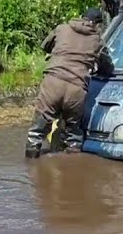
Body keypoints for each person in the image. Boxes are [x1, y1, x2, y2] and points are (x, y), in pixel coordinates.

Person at [25, 8, 113, 158]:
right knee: (73, 133)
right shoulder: (97, 41)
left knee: (37, 131)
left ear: (81, 17)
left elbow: (45, 45)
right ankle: (72, 168)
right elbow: (107, 66)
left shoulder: (62, 29)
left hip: (53, 82)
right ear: (97, 25)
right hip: (76, 88)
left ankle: (31, 166)